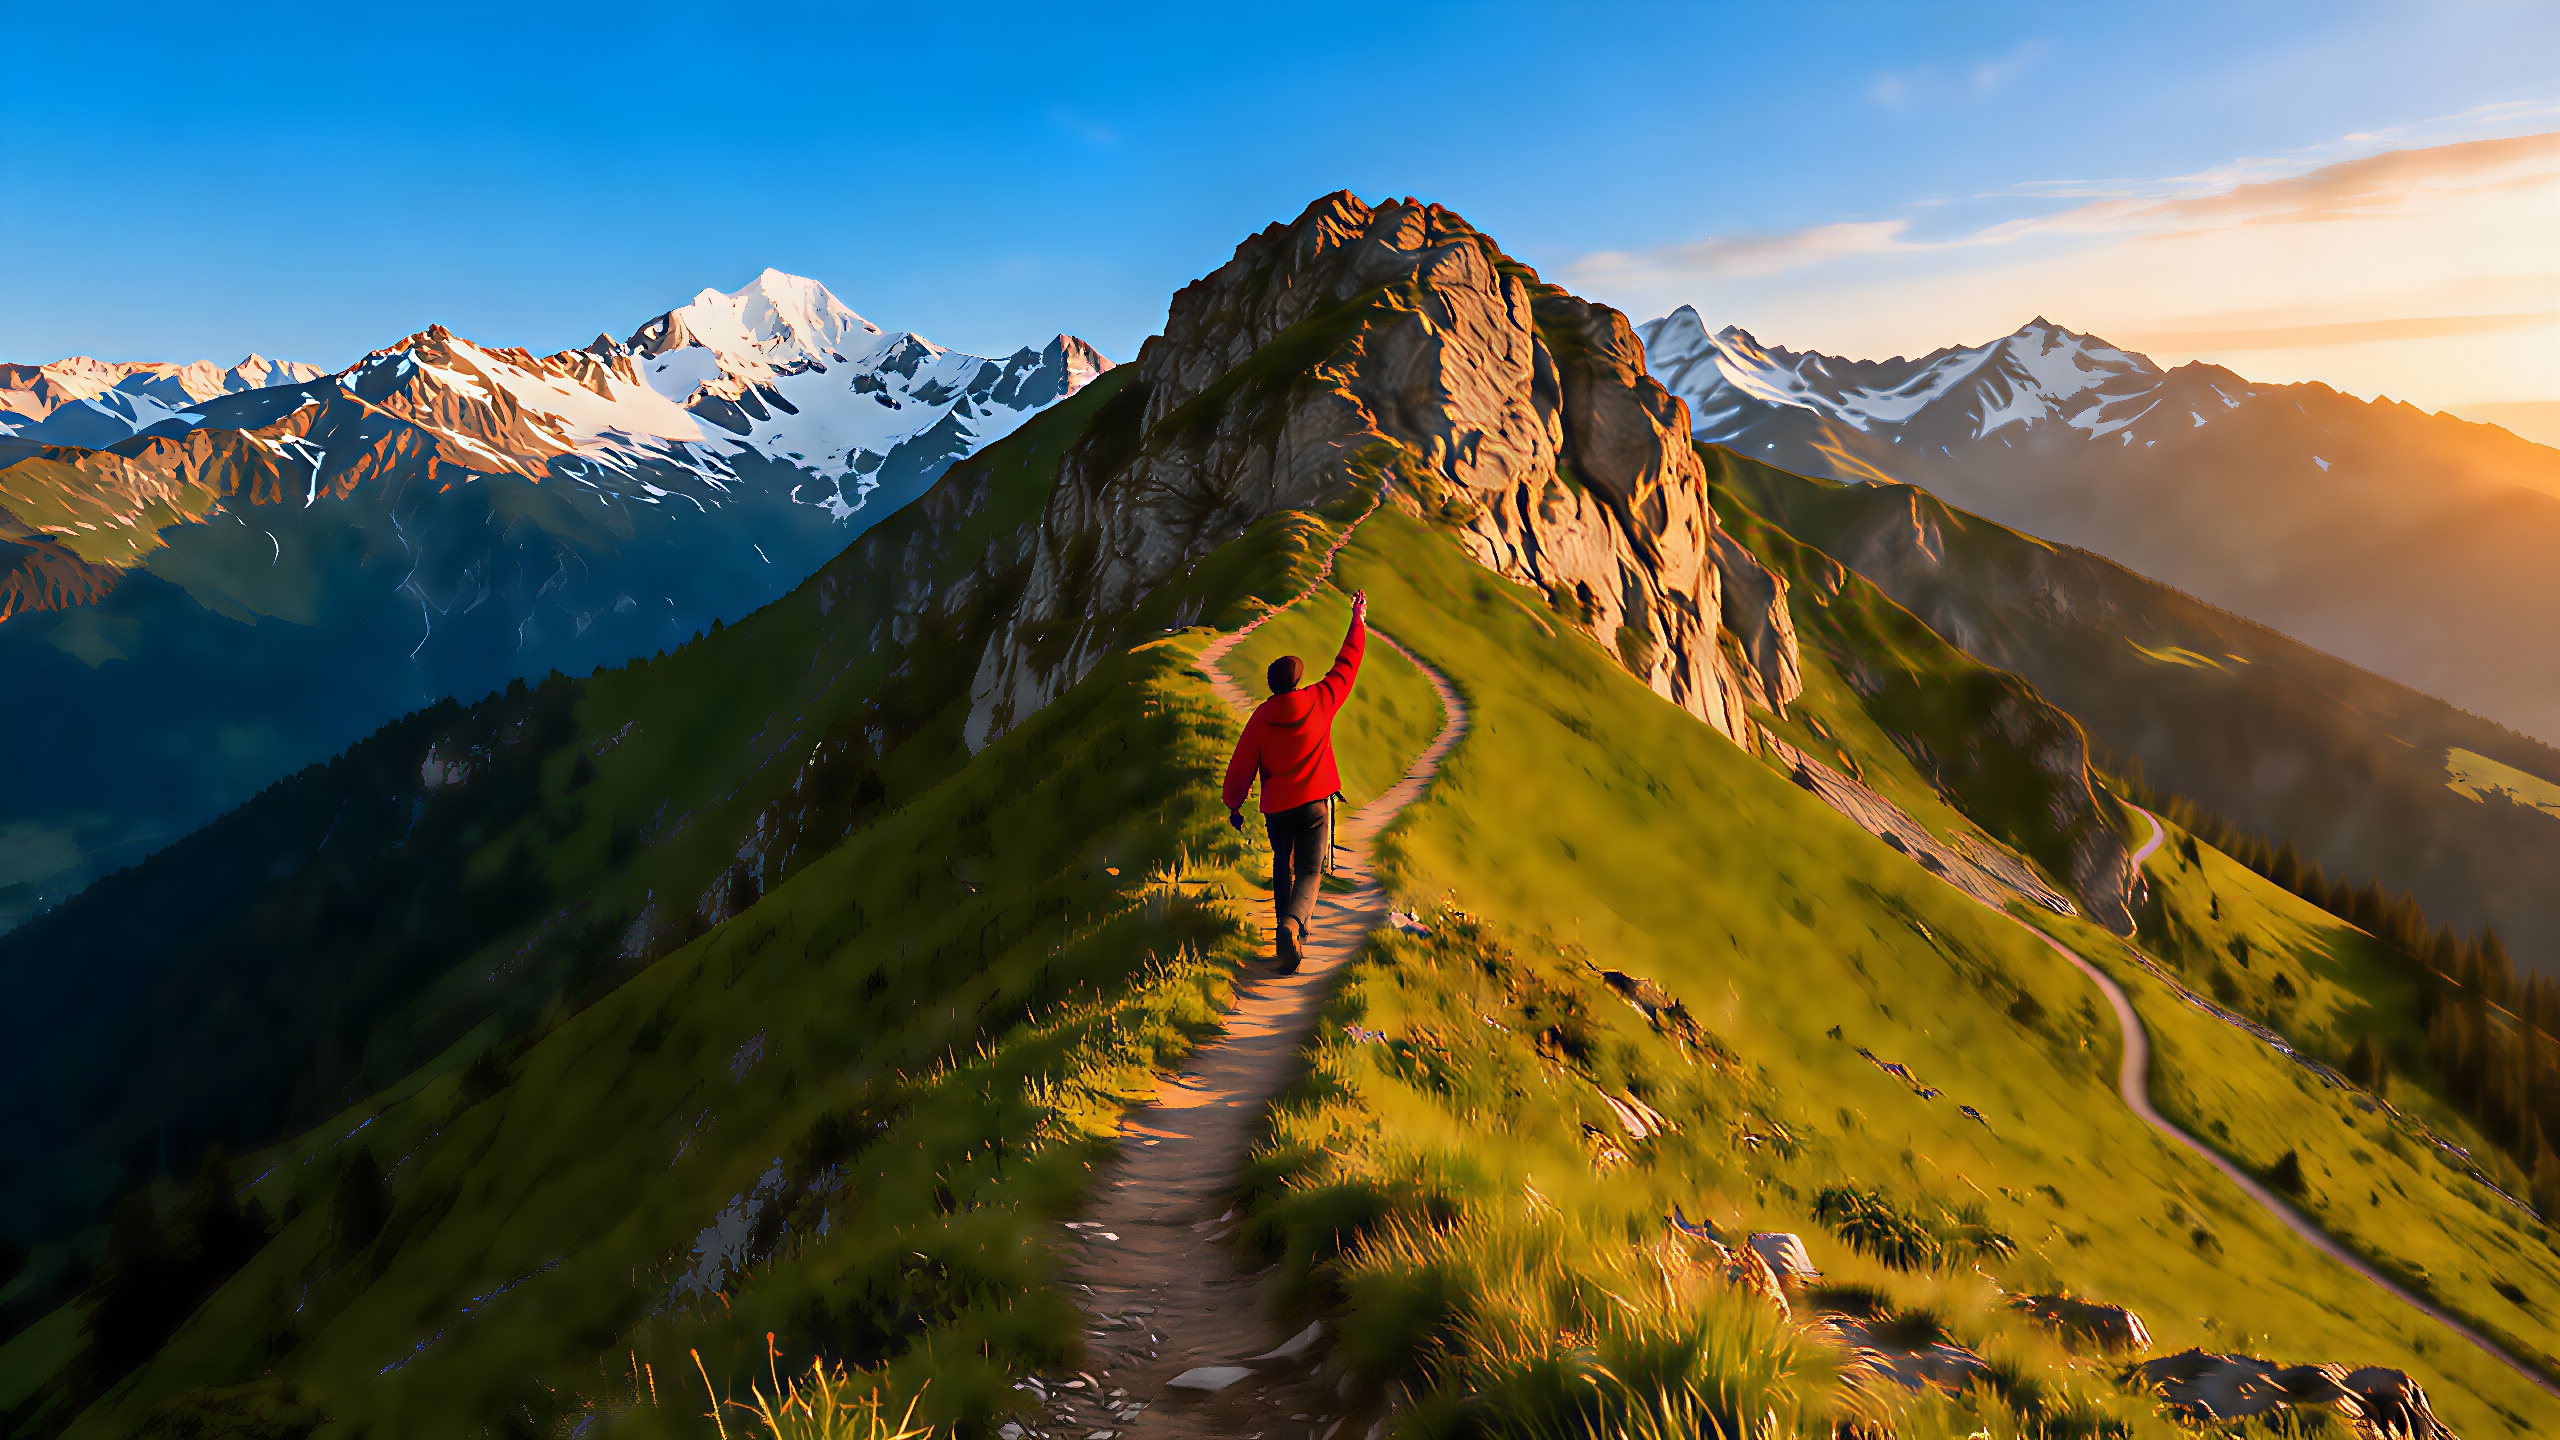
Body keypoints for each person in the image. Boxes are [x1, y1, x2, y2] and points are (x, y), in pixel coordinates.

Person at [1223, 591, 1366, 973]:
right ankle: (1291, 926)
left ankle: (1281, 942)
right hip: (1315, 806)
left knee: (1281, 865)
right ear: (1299, 680)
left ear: (1272, 685)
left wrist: (1234, 804)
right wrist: (1357, 618)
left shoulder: (1260, 717)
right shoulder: (1320, 698)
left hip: (1277, 811)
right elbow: (1347, 664)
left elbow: (1241, 766)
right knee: (1310, 871)